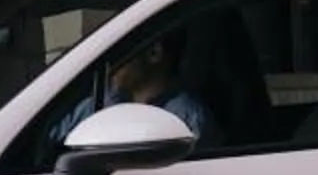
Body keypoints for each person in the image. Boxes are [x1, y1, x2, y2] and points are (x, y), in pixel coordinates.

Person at [53, 29, 213, 145]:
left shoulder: (188, 117)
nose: (111, 65)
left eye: (122, 54)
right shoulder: (100, 102)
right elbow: (53, 137)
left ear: (154, 53)